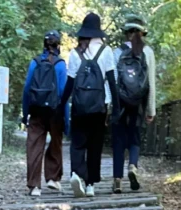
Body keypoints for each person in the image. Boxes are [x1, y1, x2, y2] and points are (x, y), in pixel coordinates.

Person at [60, 12, 120, 198]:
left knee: (77, 143)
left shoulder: (75, 53)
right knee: (95, 144)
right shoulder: (106, 51)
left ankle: (77, 174)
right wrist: (116, 107)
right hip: (99, 107)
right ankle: (91, 184)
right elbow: (112, 81)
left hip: (79, 107)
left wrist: (61, 104)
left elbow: (70, 83)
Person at [112, 14, 156, 193]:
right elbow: (151, 82)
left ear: (126, 33)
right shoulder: (148, 52)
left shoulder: (117, 52)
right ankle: (132, 166)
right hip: (139, 102)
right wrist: (151, 109)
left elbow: (113, 81)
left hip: (120, 102)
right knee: (135, 138)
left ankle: (117, 181)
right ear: (141, 33)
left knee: (118, 140)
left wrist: (111, 107)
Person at [21, 30, 67, 197]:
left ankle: (34, 186)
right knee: (56, 142)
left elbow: (27, 89)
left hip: (36, 110)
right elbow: (63, 93)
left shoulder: (35, 62)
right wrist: (66, 121)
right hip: (55, 111)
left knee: (34, 145)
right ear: (58, 45)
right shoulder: (61, 64)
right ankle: (53, 178)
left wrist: (25, 113)